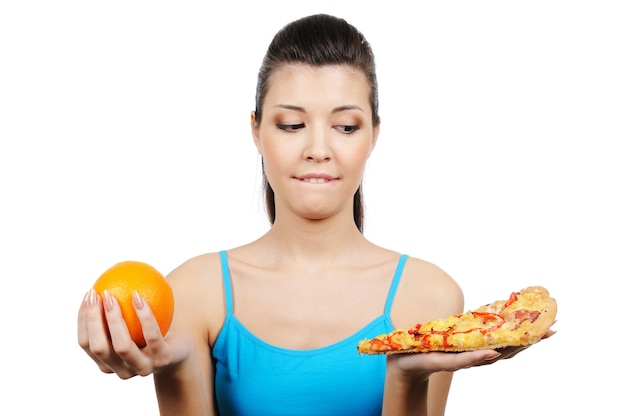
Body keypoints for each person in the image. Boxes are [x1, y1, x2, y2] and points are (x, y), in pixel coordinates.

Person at [78, 13, 537, 415]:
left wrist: (405, 378)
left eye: (345, 126)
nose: (318, 149)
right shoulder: (193, 292)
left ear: (373, 135)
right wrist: (175, 369)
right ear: (256, 130)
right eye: (292, 125)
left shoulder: (429, 295)